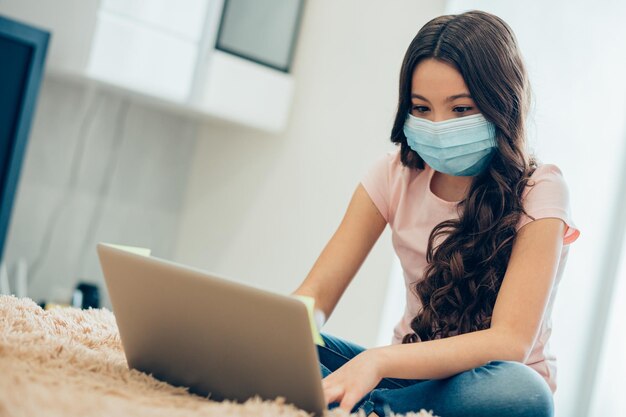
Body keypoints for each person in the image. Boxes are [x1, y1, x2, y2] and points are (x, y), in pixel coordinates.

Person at [291, 9, 580, 417]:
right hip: (406, 377)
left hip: (486, 386)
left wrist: (377, 361)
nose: (439, 125)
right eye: (422, 109)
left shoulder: (542, 190)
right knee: (283, 344)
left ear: (501, 103)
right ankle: (373, 405)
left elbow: (509, 342)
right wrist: (282, 333)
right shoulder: (394, 174)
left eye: (460, 109)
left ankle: (364, 406)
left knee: (524, 394)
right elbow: (314, 297)